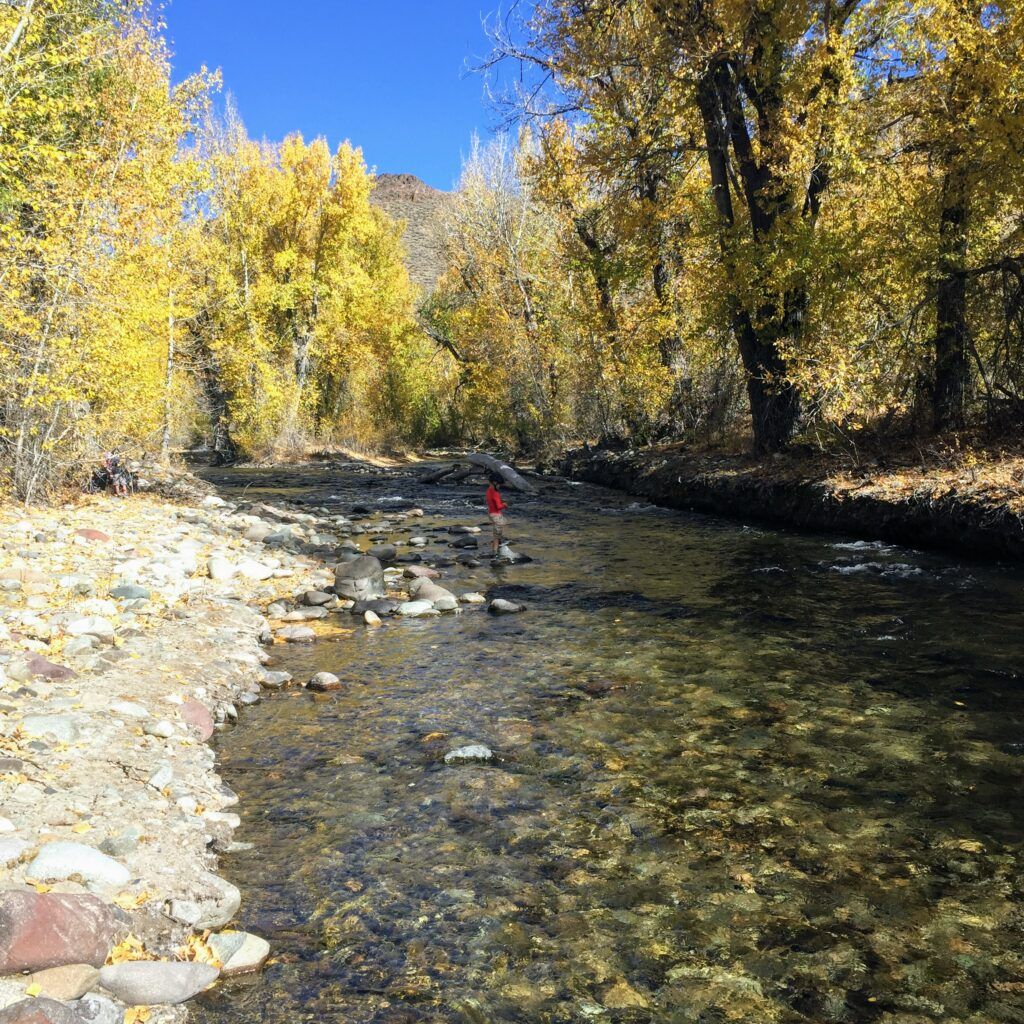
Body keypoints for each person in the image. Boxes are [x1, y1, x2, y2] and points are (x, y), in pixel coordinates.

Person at [486, 474, 508, 555]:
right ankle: (495, 552)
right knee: (496, 536)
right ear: (495, 483)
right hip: (496, 515)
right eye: (499, 485)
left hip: (491, 513)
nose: (499, 487)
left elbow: (492, 501)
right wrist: (504, 505)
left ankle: (497, 547)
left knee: (499, 529)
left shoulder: (488, 490)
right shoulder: (495, 493)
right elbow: (499, 506)